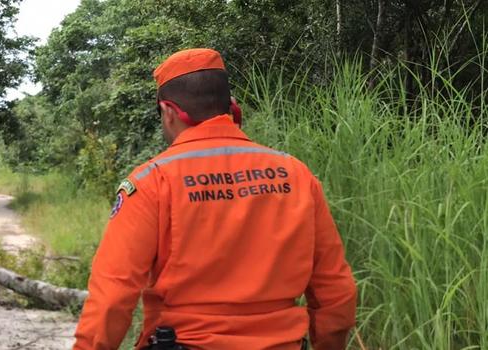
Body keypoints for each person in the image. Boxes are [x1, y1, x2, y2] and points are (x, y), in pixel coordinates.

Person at [72, 48, 357, 350]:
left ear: (168, 111)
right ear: (232, 106)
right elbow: (334, 290)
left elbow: (113, 294)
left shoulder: (151, 182)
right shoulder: (296, 175)